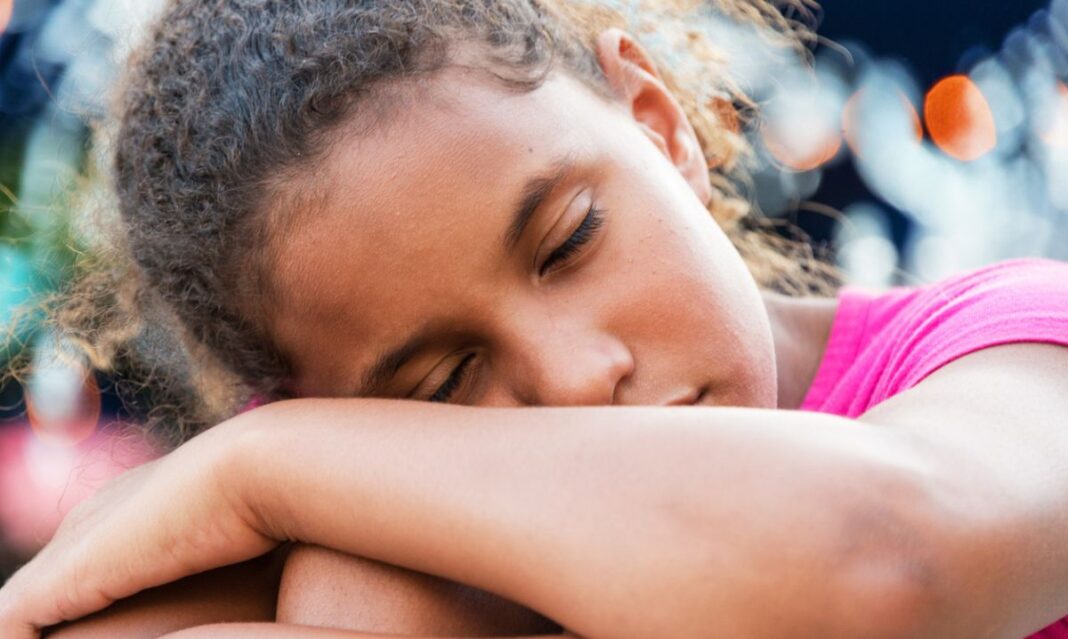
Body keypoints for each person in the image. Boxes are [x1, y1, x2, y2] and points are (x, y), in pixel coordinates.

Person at [1, 0, 1068, 637]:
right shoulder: (392, 566)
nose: (572, 381)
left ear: (659, 127)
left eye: (568, 241)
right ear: (337, 407)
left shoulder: (1012, 348)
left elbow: (895, 562)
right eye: (443, 384)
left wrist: (262, 466)